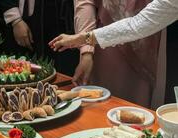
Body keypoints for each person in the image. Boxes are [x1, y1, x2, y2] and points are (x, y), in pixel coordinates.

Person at [50, 0, 178, 108]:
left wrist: (81, 39)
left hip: (147, 44)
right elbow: (138, 25)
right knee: (103, 107)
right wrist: (85, 47)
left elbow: (139, 24)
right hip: (106, 43)